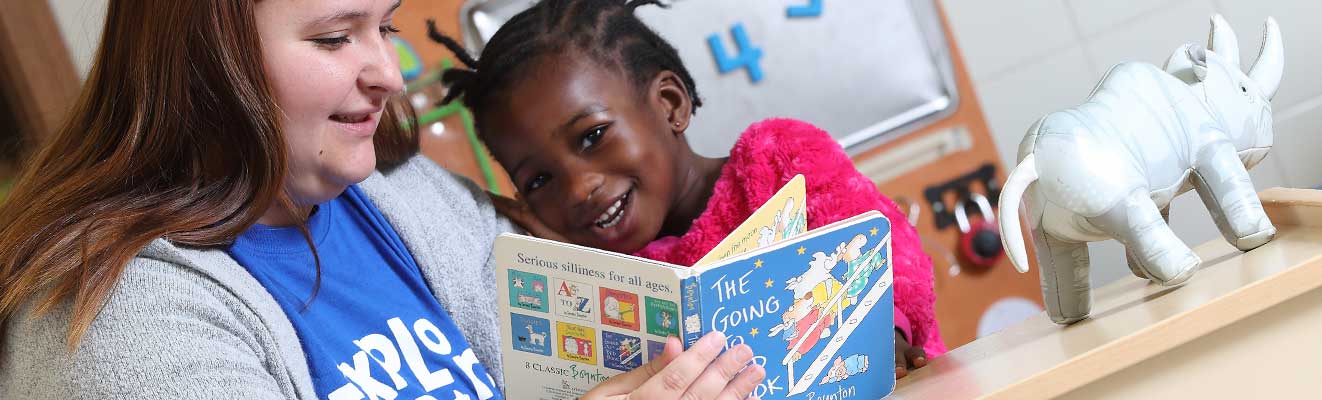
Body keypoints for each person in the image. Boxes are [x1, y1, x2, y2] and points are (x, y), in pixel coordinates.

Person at [0, 0, 758, 398]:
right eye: (335, 38)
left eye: (385, 26)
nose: (389, 73)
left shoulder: (400, 187)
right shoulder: (113, 327)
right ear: (204, 60)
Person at [425, 0, 945, 375]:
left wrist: (886, 330)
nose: (579, 187)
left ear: (670, 104)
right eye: (538, 180)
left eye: (593, 136)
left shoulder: (777, 159)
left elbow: (885, 247)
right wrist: (570, 266)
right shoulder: (601, 278)